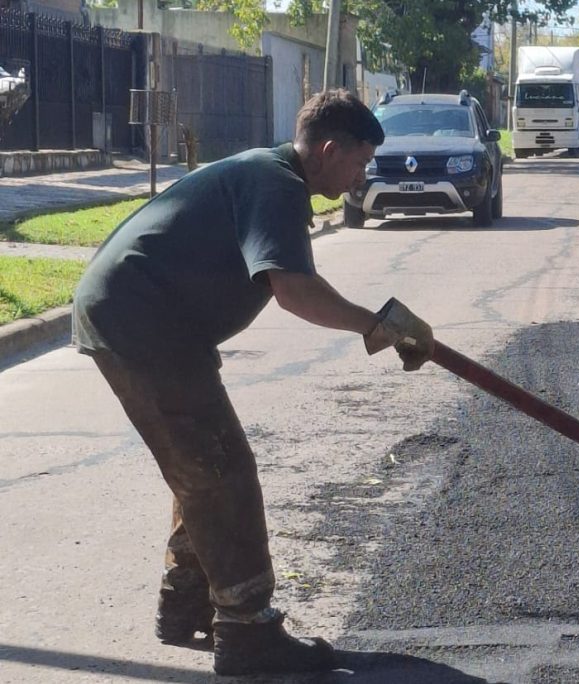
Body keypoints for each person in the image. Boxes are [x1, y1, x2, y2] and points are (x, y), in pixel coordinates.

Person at [72, 89, 433, 676]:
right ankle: (246, 631)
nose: (364, 173)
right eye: (361, 160)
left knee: (201, 466)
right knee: (222, 471)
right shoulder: (278, 184)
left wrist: (379, 327)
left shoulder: (274, 175)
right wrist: (381, 327)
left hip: (149, 321)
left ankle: (186, 599)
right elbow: (294, 291)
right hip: (140, 320)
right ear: (328, 148)